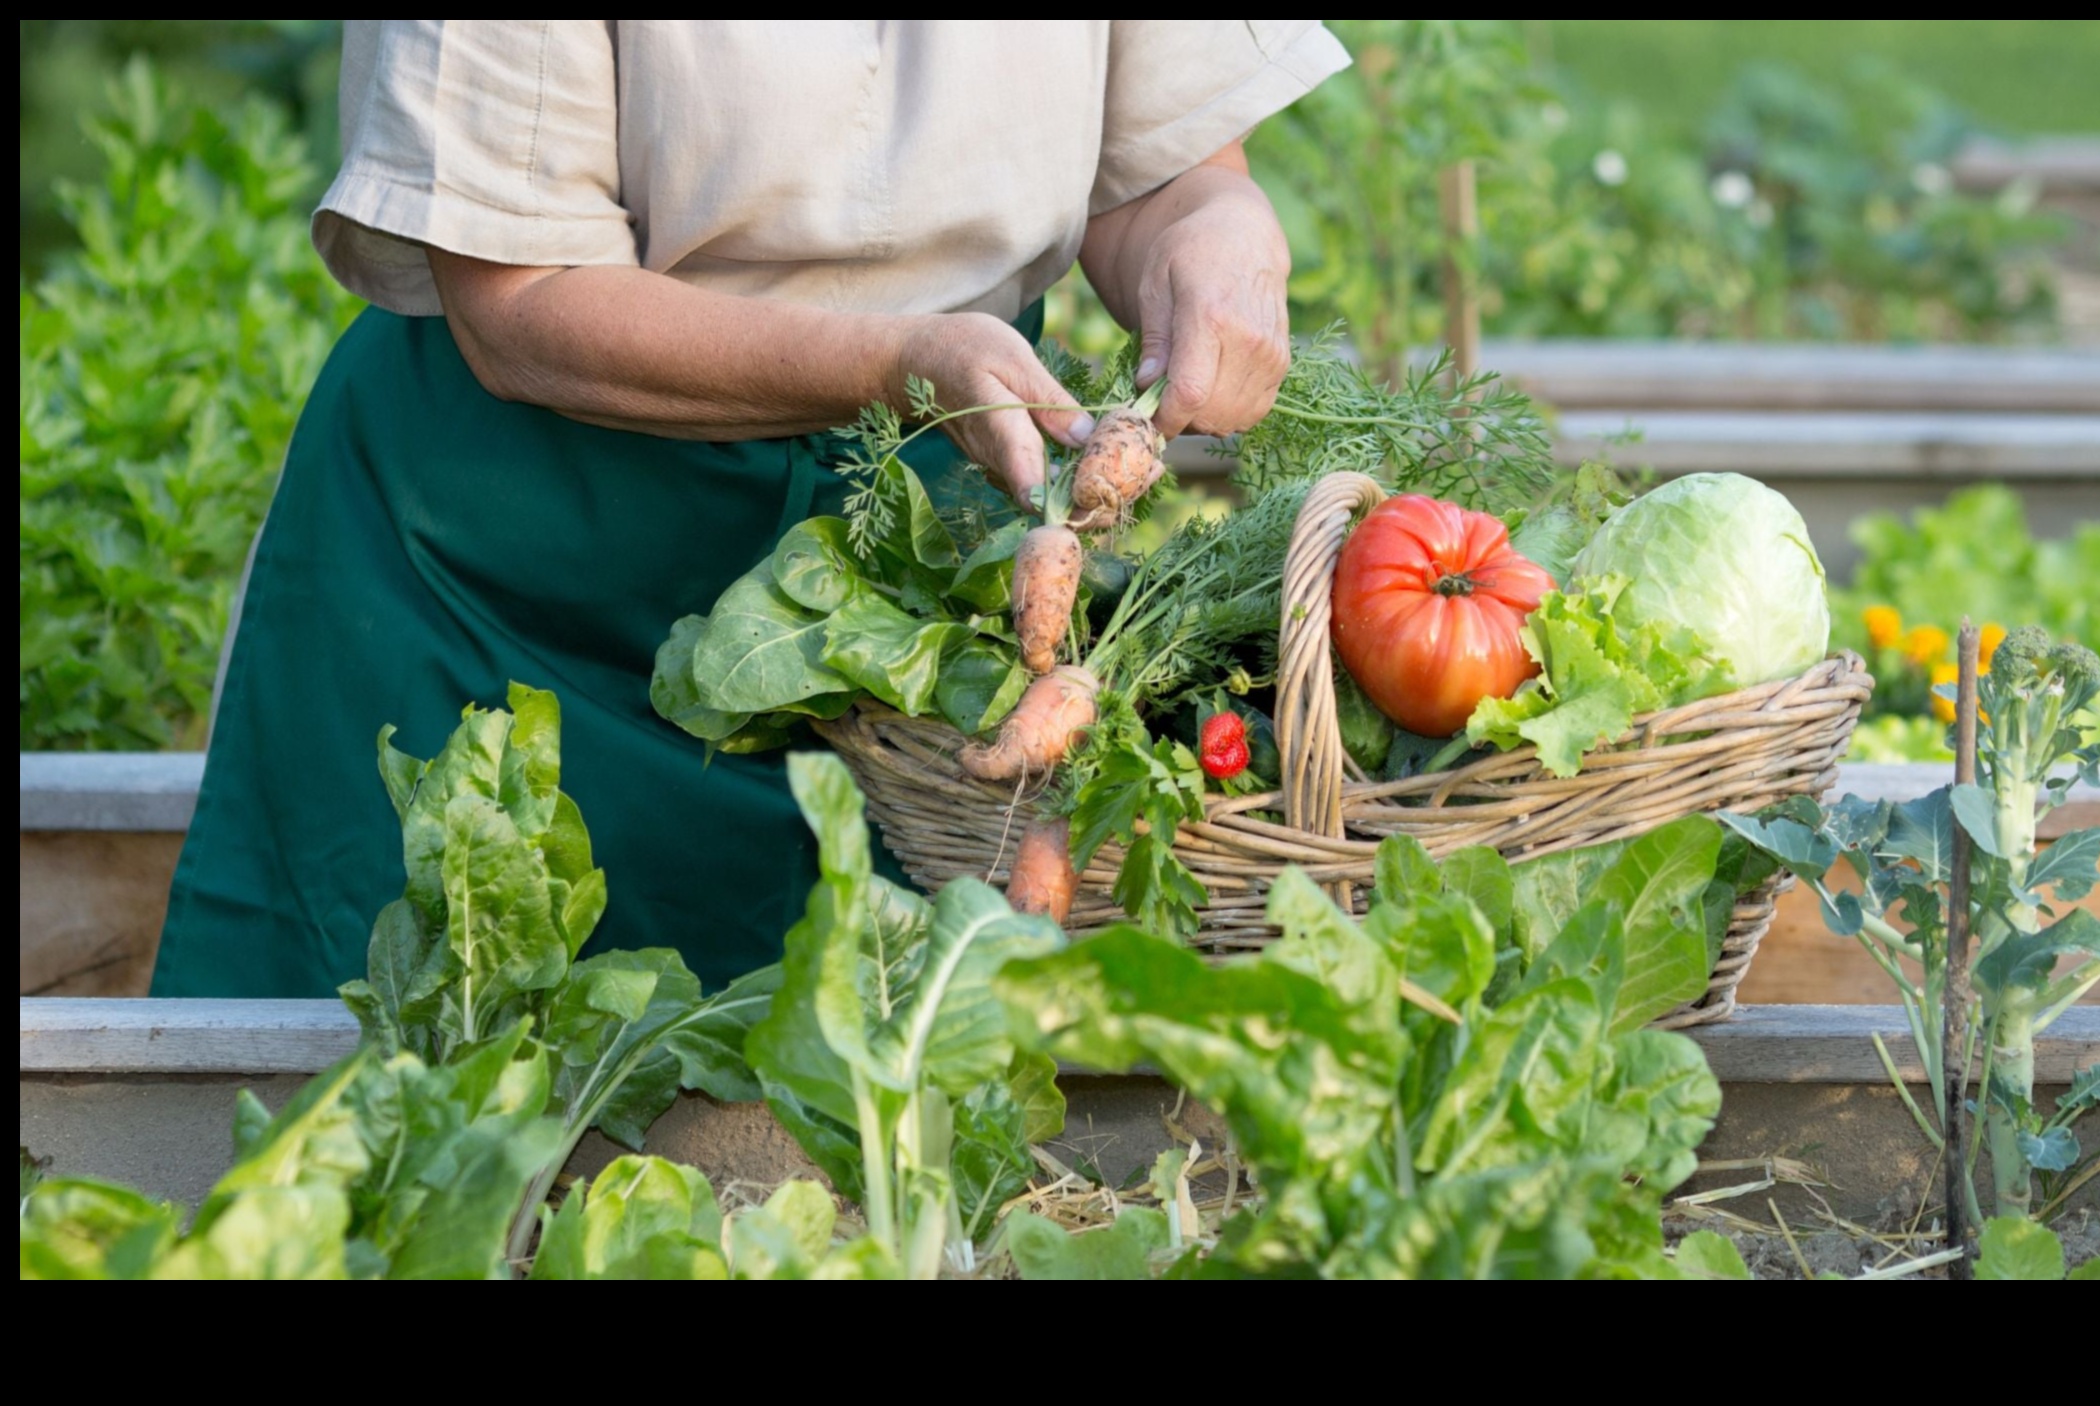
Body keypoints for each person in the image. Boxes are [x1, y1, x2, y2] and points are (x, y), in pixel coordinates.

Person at [152, 20, 1349, 996]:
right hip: (508, 574)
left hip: (910, 569)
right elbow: (518, 296)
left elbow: (1166, 170)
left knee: (879, 1103)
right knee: (429, 1084)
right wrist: (897, 364)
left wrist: (1213, 233)